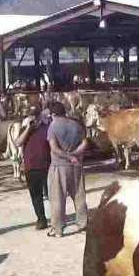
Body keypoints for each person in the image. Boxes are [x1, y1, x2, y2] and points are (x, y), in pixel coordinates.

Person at [46, 101, 89, 237]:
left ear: (53, 114)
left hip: (59, 166)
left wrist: (68, 156)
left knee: (57, 198)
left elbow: (54, 148)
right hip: (76, 165)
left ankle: (57, 229)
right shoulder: (75, 124)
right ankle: (83, 224)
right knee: (79, 196)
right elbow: (85, 142)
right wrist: (75, 154)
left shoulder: (53, 127)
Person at [15, 106, 51, 230]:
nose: (34, 118)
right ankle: (41, 219)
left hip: (46, 166)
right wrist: (28, 129)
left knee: (52, 194)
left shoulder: (47, 129)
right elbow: (18, 142)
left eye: (36, 115)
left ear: (40, 116)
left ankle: (57, 218)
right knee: (36, 195)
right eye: (32, 115)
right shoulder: (25, 129)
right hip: (31, 167)